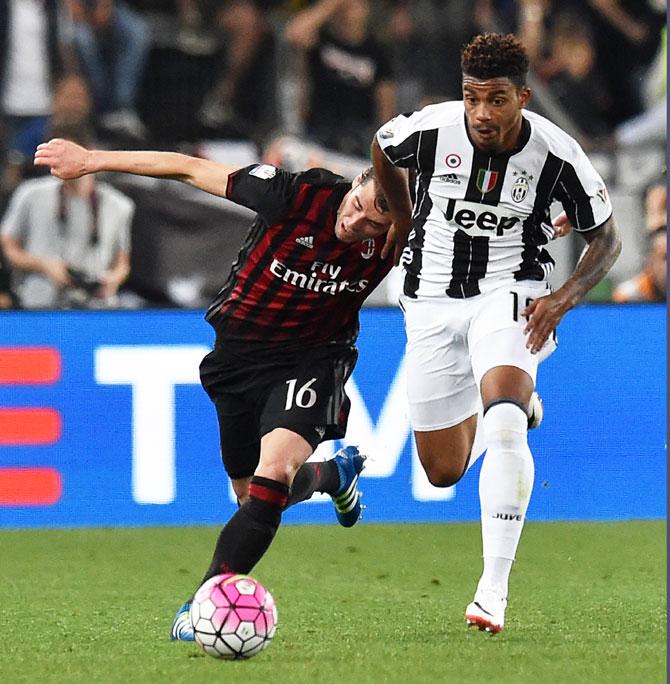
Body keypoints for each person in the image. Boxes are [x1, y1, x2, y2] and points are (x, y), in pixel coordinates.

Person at [33, 133, 394, 640]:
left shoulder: (406, 237)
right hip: (238, 358)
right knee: (251, 494)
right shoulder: (294, 195)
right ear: (355, 181)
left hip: (315, 357)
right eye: (358, 205)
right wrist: (92, 160)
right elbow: (184, 168)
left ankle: (202, 603)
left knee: (272, 480)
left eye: (373, 224)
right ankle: (333, 475)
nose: (355, 224)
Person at [372, 32, 621, 634]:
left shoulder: (558, 155)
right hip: (429, 297)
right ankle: (519, 402)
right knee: (442, 471)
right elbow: (382, 147)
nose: (481, 114)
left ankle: (492, 592)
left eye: (497, 99)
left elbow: (606, 239)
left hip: (511, 290)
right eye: (471, 98)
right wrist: (402, 214)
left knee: (503, 420)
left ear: (523, 97)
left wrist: (561, 299)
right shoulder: (431, 128)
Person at [2, 126, 133, 308]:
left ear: (90, 152)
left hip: (97, 307)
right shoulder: (30, 194)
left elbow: (122, 263)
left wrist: (112, 280)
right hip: (39, 305)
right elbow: (9, 245)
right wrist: (44, 265)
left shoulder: (119, 205)